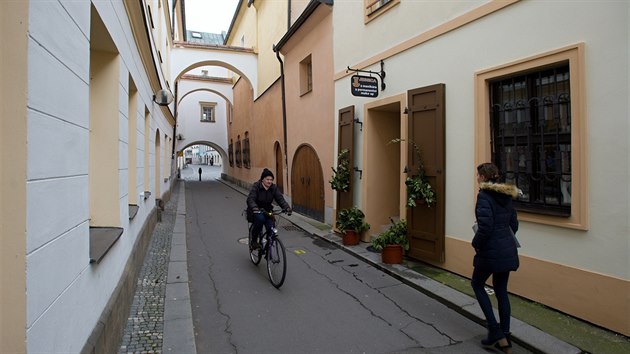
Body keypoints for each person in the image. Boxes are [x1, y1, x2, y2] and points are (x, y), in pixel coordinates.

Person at [471, 162, 519, 354]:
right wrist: (505, 238)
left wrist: (476, 243)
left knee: (477, 284)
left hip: (490, 251)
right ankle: (506, 336)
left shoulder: (484, 196)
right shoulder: (506, 194)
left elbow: (485, 227)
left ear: (483, 177)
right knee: (501, 291)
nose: (476, 178)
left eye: (477, 175)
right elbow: (513, 223)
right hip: (507, 249)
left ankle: (494, 331)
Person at [246, 168, 291, 249]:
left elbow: (280, 199)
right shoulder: (256, 186)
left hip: (267, 211)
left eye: (271, 179)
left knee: (271, 229)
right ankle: (254, 240)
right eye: (267, 179)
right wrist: (254, 207)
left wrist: (286, 207)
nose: (269, 181)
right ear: (262, 179)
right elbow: (251, 199)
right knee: (260, 220)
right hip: (257, 210)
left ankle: (268, 249)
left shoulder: (273, 188)